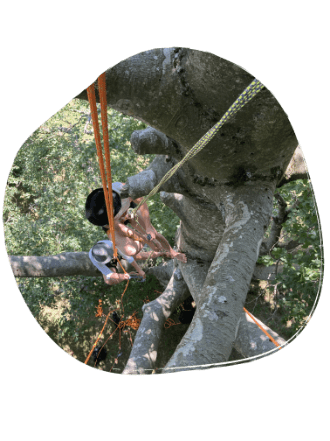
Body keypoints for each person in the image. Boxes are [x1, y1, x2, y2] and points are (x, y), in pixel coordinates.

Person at [85, 182, 187, 285]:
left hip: (129, 210)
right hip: (117, 223)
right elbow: (122, 229)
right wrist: (145, 239)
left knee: (154, 234)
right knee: (130, 250)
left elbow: (142, 203)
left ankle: (174, 253)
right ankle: (156, 246)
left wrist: (148, 228)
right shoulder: (100, 218)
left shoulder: (121, 189)